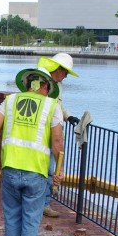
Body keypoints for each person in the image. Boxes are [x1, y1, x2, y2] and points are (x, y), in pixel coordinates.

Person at [0, 68, 64, 236]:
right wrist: (58, 170)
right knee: (30, 219)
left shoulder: (10, 101)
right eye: (48, 89)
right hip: (36, 171)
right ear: (45, 86)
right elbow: (57, 141)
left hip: (10, 167)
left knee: (11, 216)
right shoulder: (52, 106)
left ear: (28, 84)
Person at [35, 52, 79, 218]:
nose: (66, 76)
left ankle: (44, 202)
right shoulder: (41, 80)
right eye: (66, 72)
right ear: (58, 69)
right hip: (43, 131)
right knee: (47, 169)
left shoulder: (57, 86)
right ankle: (43, 203)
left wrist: (68, 116)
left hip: (53, 129)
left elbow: (58, 106)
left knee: (50, 169)